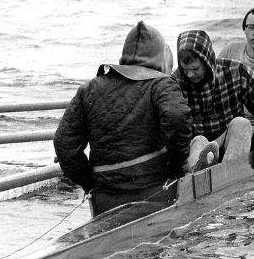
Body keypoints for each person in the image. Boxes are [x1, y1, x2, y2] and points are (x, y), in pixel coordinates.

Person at [53, 22, 194, 217]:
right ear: (160, 59)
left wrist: (90, 183)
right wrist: (175, 166)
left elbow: (63, 144)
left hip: (105, 200)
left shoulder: (89, 89)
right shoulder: (162, 84)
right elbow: (178, 119)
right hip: (156, 192)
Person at [174, 29, 254, 171]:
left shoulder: (236, 71)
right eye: (185, 69)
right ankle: (198, 173)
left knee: (242, 124)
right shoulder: (175, 82)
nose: (190, 74)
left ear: (207, 61)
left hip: (230, 143)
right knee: (200, 141)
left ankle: (229, 174)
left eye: (195, 68)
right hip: (195, 146)